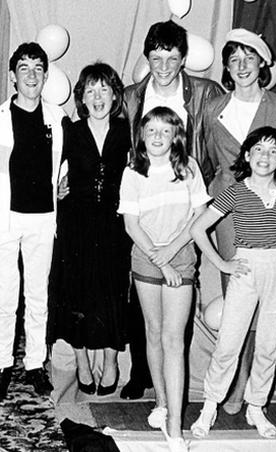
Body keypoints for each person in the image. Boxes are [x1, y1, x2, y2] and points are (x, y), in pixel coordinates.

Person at [120, 20, 223, 401]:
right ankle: (143, 378)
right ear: (147, 58)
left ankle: (176, 390)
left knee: (180, 306)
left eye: (172, 58)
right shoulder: (131, 97)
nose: (163, 66)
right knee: (143, 305)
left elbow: (218, 146)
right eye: (156, 58)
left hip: (188, 210)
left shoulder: (206, 93)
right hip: (143, 206)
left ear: (184, 60)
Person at [201, 28, 276, 415]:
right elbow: (204, 159)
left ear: (262, 63)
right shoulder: (212, 108)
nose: (241, 65)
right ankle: (231, 382)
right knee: (236, 294)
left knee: (269, 300)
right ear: (226, 65)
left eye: (249, 57)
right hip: (228, 213)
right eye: (233, 58)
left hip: (270, 210)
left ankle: (252, 387)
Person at [189, 127, 276, 439]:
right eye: (258, 150)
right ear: (247, 155)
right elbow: (199, 229)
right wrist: (223, 263)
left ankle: (256, 407)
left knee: (268, 344)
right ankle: (209, 407)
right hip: (246, 267)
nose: (264, 157)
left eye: (272, 151)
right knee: (228, 343)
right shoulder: (236, 192)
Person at [117, 107, 210, 452]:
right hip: (145, 257)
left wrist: (170, 255)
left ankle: (175, 426)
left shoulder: (188, 168)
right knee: (153, 333)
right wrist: (160, 259)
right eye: (151, 130)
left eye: (165, 131)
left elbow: (198, 216)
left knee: (174, 340)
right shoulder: (132, 171)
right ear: (142, 135)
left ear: (176, 137)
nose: (157, 137)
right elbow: (131, 225)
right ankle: (161, 402)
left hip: (181, 256)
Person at [0, 42, 65, 401]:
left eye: (38, 68)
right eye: (24, 68)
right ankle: (2, 366)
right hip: (5, 219)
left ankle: (34, 364)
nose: (31, 75)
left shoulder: (58, 118)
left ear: (45, 75)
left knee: (37, 295)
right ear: (13, 76)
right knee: (4, 297)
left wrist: (64, 182)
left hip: (43, 219)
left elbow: (65, 163)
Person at [48, 62, 132, 396]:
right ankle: (82, 362)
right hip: (76, 224)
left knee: (113, 293)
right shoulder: (71, 130)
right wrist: (55, 189)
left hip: (115, 224)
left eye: (104, 90)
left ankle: (110, 363)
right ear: (82, 96)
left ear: (114, 95)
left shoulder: (128, 131)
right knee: (76, 294)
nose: (97, 97)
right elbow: (51, 170)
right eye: (90, 90)